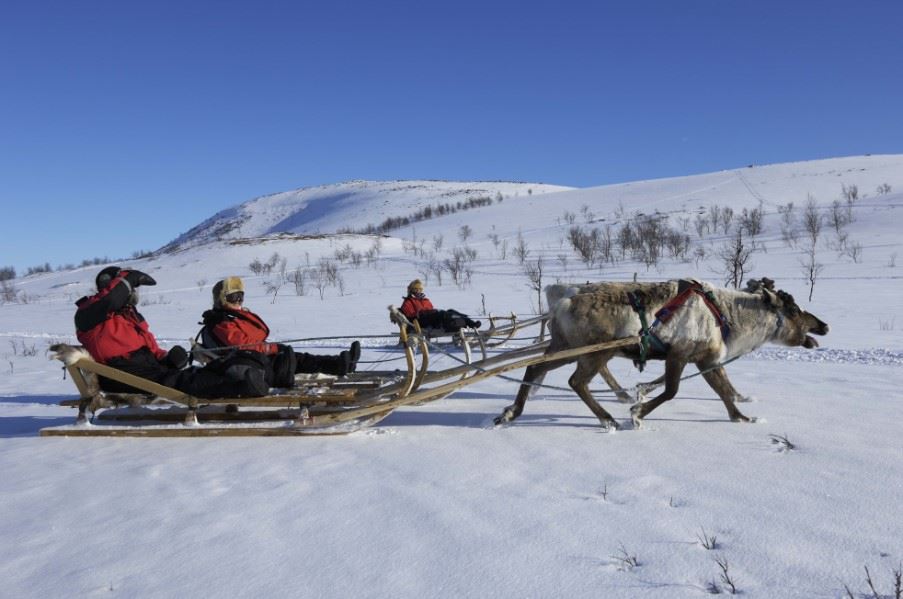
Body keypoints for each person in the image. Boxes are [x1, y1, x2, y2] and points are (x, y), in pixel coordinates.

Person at [75, 266, 269, 397]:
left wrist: (167, 359)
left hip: (143, 367)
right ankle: (240, 388)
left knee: (196, 371)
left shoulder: (129, 316)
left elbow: (150, 347)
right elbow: (108, 300)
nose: (134, 293)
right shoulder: (88, 314)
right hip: (120, 373)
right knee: (180, 380)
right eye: (131, 288)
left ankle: (245, 377)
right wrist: (128, 277)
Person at [198, 277, 361, 386]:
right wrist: (271, 348)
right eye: (234, 297)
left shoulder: (233, 317)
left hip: (255, 358)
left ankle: (341, 364)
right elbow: (244, 345)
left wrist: (271, 347)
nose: (239, 301)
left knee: (300, 358)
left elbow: (257, 336)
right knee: (288, 360)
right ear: (222, 299)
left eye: (241, 296)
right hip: (246, 365)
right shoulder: (220, 322)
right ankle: (335, 366)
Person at [399, 279, 481, 333]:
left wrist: (431, 312)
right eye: (416, 289)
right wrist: (420, 313)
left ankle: (471, 323)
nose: (418, 291)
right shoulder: (408, 301)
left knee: (451, 311)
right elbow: (409, 315)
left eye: (420, 289)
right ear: (411, 290)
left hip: (431, 318)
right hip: (421, 321)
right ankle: (456, 325)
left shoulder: (425, 300)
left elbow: (431, 309)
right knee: (442, 314)